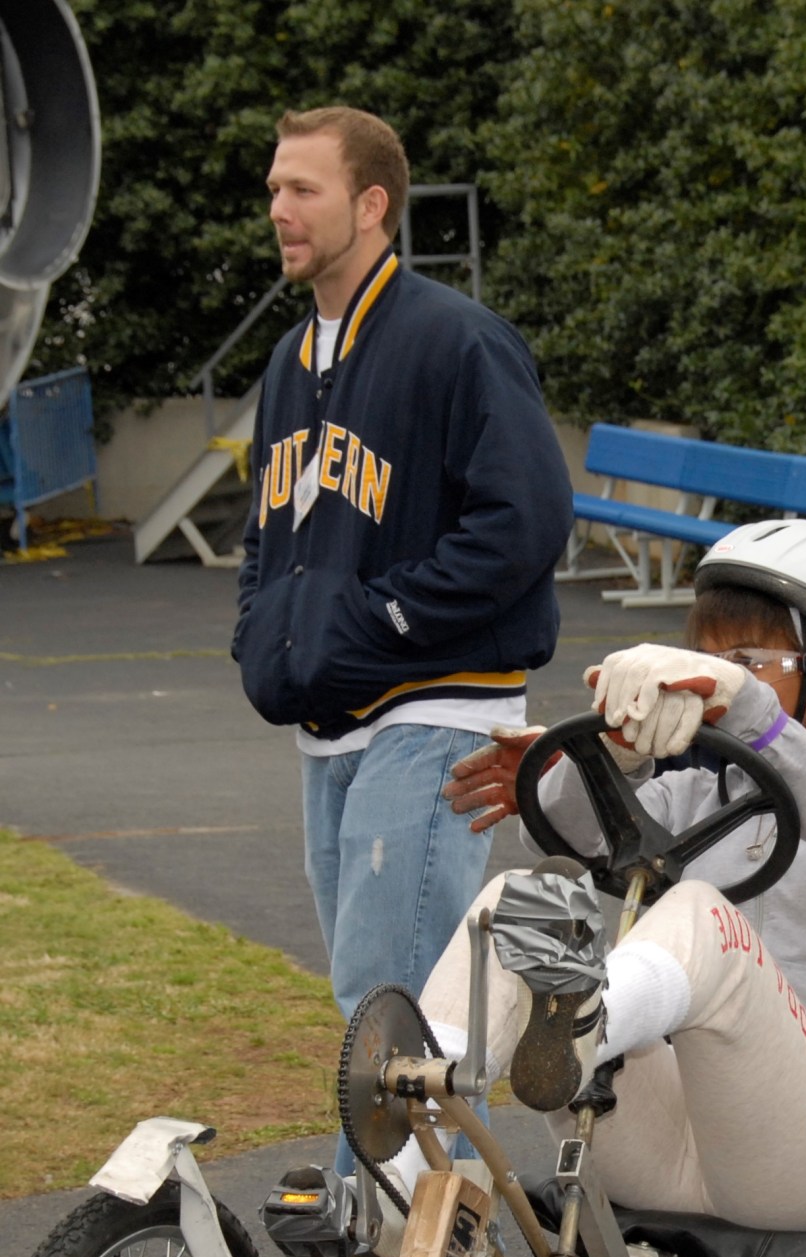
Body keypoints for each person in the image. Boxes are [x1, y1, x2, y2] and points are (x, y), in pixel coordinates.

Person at [283, 522, 806, 1257]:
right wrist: (609, 756)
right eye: (703, 663)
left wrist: (743, 707)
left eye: (744, 664)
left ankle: (583, 1026)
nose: (709, 685)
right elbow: (564, 832)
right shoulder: (698, 797)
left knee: (704, 918)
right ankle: (395, 1192)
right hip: (667, 1149)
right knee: (525, 898)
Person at [235, 108, 570, 1022]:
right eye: (274, 188)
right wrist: (260, 632)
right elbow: (269, 531)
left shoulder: (458, 339)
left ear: (371, 202)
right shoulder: (290, 359)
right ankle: (411, 1173)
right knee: (377, 1011)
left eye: (304, 189)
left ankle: (404, 1175)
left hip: (437, 708)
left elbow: (527, 520)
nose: (279, 208)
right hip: (329, 721)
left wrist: (385, 617)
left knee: (396, 1008)